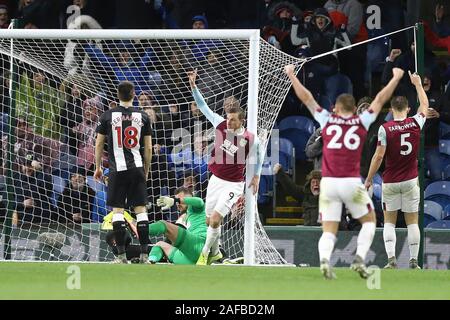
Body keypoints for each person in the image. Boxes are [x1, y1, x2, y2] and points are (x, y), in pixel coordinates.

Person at [284, 64, 404, 279]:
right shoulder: (362, 121)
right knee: (369, 221)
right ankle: (359, 258)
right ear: (353, 108)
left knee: (329, 229)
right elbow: (379, 100)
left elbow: (306, 97)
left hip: (328, 183)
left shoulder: (326, 120)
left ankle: (323, 261)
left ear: (336, 108)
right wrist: (395, 78)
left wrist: (292, 75)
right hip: (351, 182)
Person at [188, 69, 263, 265]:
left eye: (233, 120)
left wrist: (256, 176)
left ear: (242, 121)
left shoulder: (250, 139)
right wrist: (194, 86)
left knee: (214, 219)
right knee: (208, 222)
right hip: (215, 181)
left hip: (233, 185)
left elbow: (260, 155)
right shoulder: (220, 125)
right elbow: (203, 107)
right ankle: (217, 253)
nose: (228, 122)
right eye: (228, 118)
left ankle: (204, 255)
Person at [364, 71, 429, 270]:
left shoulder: (385, 128)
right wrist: (417, 84)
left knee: (389, 222)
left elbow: (378, 156)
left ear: (392, 110)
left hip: (390, 180)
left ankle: (391, 260)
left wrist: (368, 179)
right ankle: (413, 261)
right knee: (412, 222)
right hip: (410, 180)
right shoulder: (415, 122)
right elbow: (425, 106)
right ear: (408, 109)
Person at [94, 81, 152, 264]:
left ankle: (120, 257)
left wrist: (97, 167)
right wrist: (146, 169)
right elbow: (148, 147)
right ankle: (144, 256)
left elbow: (98, 143)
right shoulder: (143, 116)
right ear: (134, 94)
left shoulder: (107, 116)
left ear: (118, 95)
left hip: (117, 170)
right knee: (141, 212)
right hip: (136, 169)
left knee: (118, 212)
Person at [148, 186, 207, 264]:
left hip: (199, 247)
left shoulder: (195, 208)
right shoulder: (183, 217)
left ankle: (142, 229)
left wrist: (176, 200)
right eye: (176, 202)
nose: (178, 204)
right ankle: (150, 261)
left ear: (190, 198)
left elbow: (199, 202)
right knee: (159, 244)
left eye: (180, 200)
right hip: (189, 259)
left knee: (163, 225)